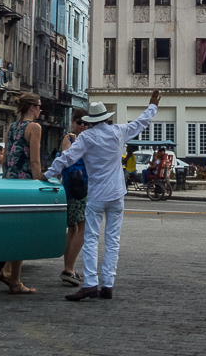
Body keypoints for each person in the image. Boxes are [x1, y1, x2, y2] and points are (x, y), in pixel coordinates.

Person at [48, 90, 160, 301]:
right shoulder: (118, 131)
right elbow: (141, 122)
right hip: (117, 194)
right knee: (112, 240)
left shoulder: (87, 137)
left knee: (91, 238)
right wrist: (152, 106)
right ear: (106, 118)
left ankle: (91, 283)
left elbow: (67, 157)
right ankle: (108, 284)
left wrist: (47, 173)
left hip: (97, 194)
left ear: (90, 120)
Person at [0, 94, 44, 294]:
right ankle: (13, 278)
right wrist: (40, 180)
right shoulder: (34, 128)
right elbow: (34, 161)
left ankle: (10, 273)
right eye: (39, 107)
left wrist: (7, 177)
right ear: (32, 107)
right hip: (25, 183)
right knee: (23, 232)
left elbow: (7, 156)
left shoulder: (12, 127)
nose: (41, 110)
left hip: (10, 180)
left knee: (15, 230)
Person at [59, 110, 89, 287]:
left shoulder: (86, 138)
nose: (82, 126)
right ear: (72, 122)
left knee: (74, 228)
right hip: (75, 187)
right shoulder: (69, 139)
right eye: (79, 122)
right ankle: (68, 268)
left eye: (85, 123)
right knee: (78, 227)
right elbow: (67, 159)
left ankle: (68, 268)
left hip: (83, 185)